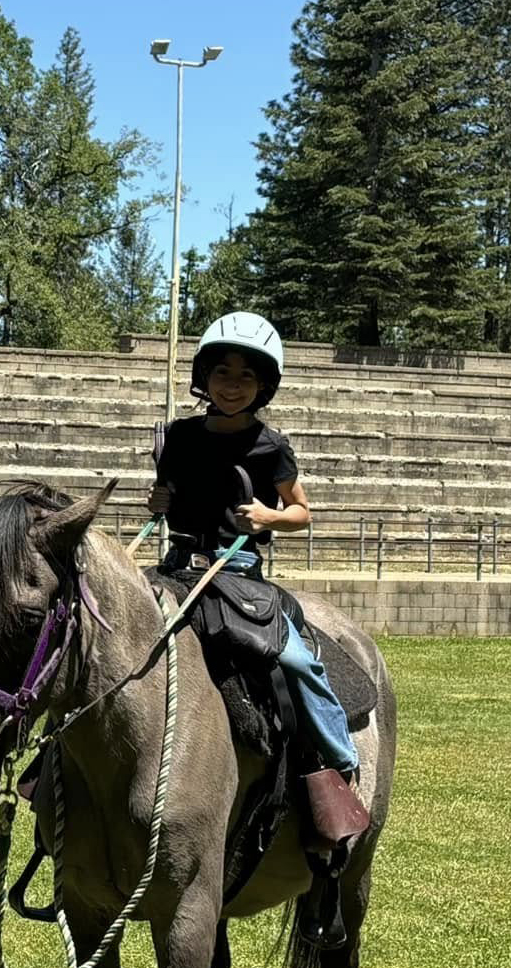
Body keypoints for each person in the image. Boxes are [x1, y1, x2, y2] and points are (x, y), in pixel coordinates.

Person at [148, 312, 367, 898]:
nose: (232, 383)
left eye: (247, 375)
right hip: (176, 567)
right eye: (222, 371)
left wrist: (271, 517)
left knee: (293, 661)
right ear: (204, 376)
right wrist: (159, 499)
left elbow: (303, 511)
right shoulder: (179, 437)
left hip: (240, 574)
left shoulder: (272, 447)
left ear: (264, 384)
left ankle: (338, 763)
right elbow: (166, 503)